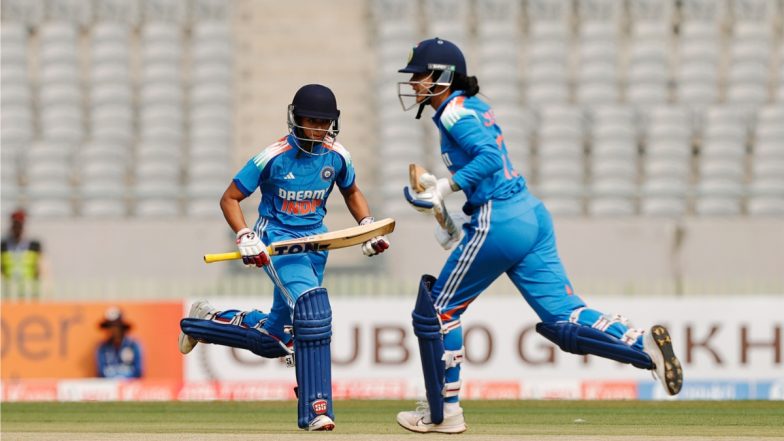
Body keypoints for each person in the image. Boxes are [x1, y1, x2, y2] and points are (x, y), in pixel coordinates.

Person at [396, 38, 683, 434]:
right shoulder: (473, 106)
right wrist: (452, 218)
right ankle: (640, 343)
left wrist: (446, 187)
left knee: (439, 312)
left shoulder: (452, 114)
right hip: (529, 214)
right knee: (564, 314)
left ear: (442, 76)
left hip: (498, 219)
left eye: (420, 76)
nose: (413, 84)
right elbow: (492, 166)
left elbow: (489, 159)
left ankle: (443, 412)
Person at [178, 84, 390, 432]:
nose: (319, 130)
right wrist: (245, 235)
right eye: (312, 122)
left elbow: (351, 190)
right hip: (276, 241)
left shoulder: (337, 155)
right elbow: (229, 198)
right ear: (296, 119)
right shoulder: (272, 156)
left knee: (276, 338)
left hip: (316, 245)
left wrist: (367, 226)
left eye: (325, 123)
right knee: (312, 310)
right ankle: (316, 408)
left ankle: (202, 321)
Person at [1, 209, 43, 298]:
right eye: (15, 225)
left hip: (29, 293)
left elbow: (41, 270)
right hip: (9, 293)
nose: (17, 229)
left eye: (19, 225)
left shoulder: (34, 246)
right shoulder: (3, 246)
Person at [96, 306, 143, 379]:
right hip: (109, 387)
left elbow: (138, 371)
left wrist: (123, 378)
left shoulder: (133, 345)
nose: (113, 329)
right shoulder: (102, 348)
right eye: (110, 326)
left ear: (122, 326)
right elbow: (101, 372)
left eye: (116, 325)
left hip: (130, 387)